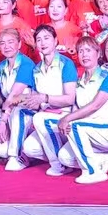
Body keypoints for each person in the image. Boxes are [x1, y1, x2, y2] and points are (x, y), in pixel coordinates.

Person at [33, 36, 108, 184]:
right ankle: (102, 158)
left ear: (98, 54)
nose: (84, 55)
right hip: (87, 131)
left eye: (88, 50)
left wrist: (67, 119)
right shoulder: (79, 81)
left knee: (74, 125)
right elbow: (75, 109)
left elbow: (95, 105)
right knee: (64, 157)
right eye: (81, 51)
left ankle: (93, 172)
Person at [11, 26, 79, 173]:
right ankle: (64, 156)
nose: (43, 42)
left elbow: (70, 99)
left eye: (47, 38)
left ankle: (59, 164)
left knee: (40, 118)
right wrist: (22, 100)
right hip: (44, 118)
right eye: (39, 40)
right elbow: (37, 101)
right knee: (30, 148)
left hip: (65, 117)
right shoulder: (36, 69)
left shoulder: (66, 64)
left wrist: (45, 98)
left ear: (55, 41)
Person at [0, 28, 39, 169]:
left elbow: (14, 96)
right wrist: (3, 116)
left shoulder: (26, 64)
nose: (6, 46)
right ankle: (23, 153)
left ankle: (16, 156)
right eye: (3, 43)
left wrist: (3, 121)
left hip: (27, 110)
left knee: (18, 112)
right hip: (8, 111)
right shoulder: (0, 67)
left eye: (10, 42)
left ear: (19, 44)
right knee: (2, 151)